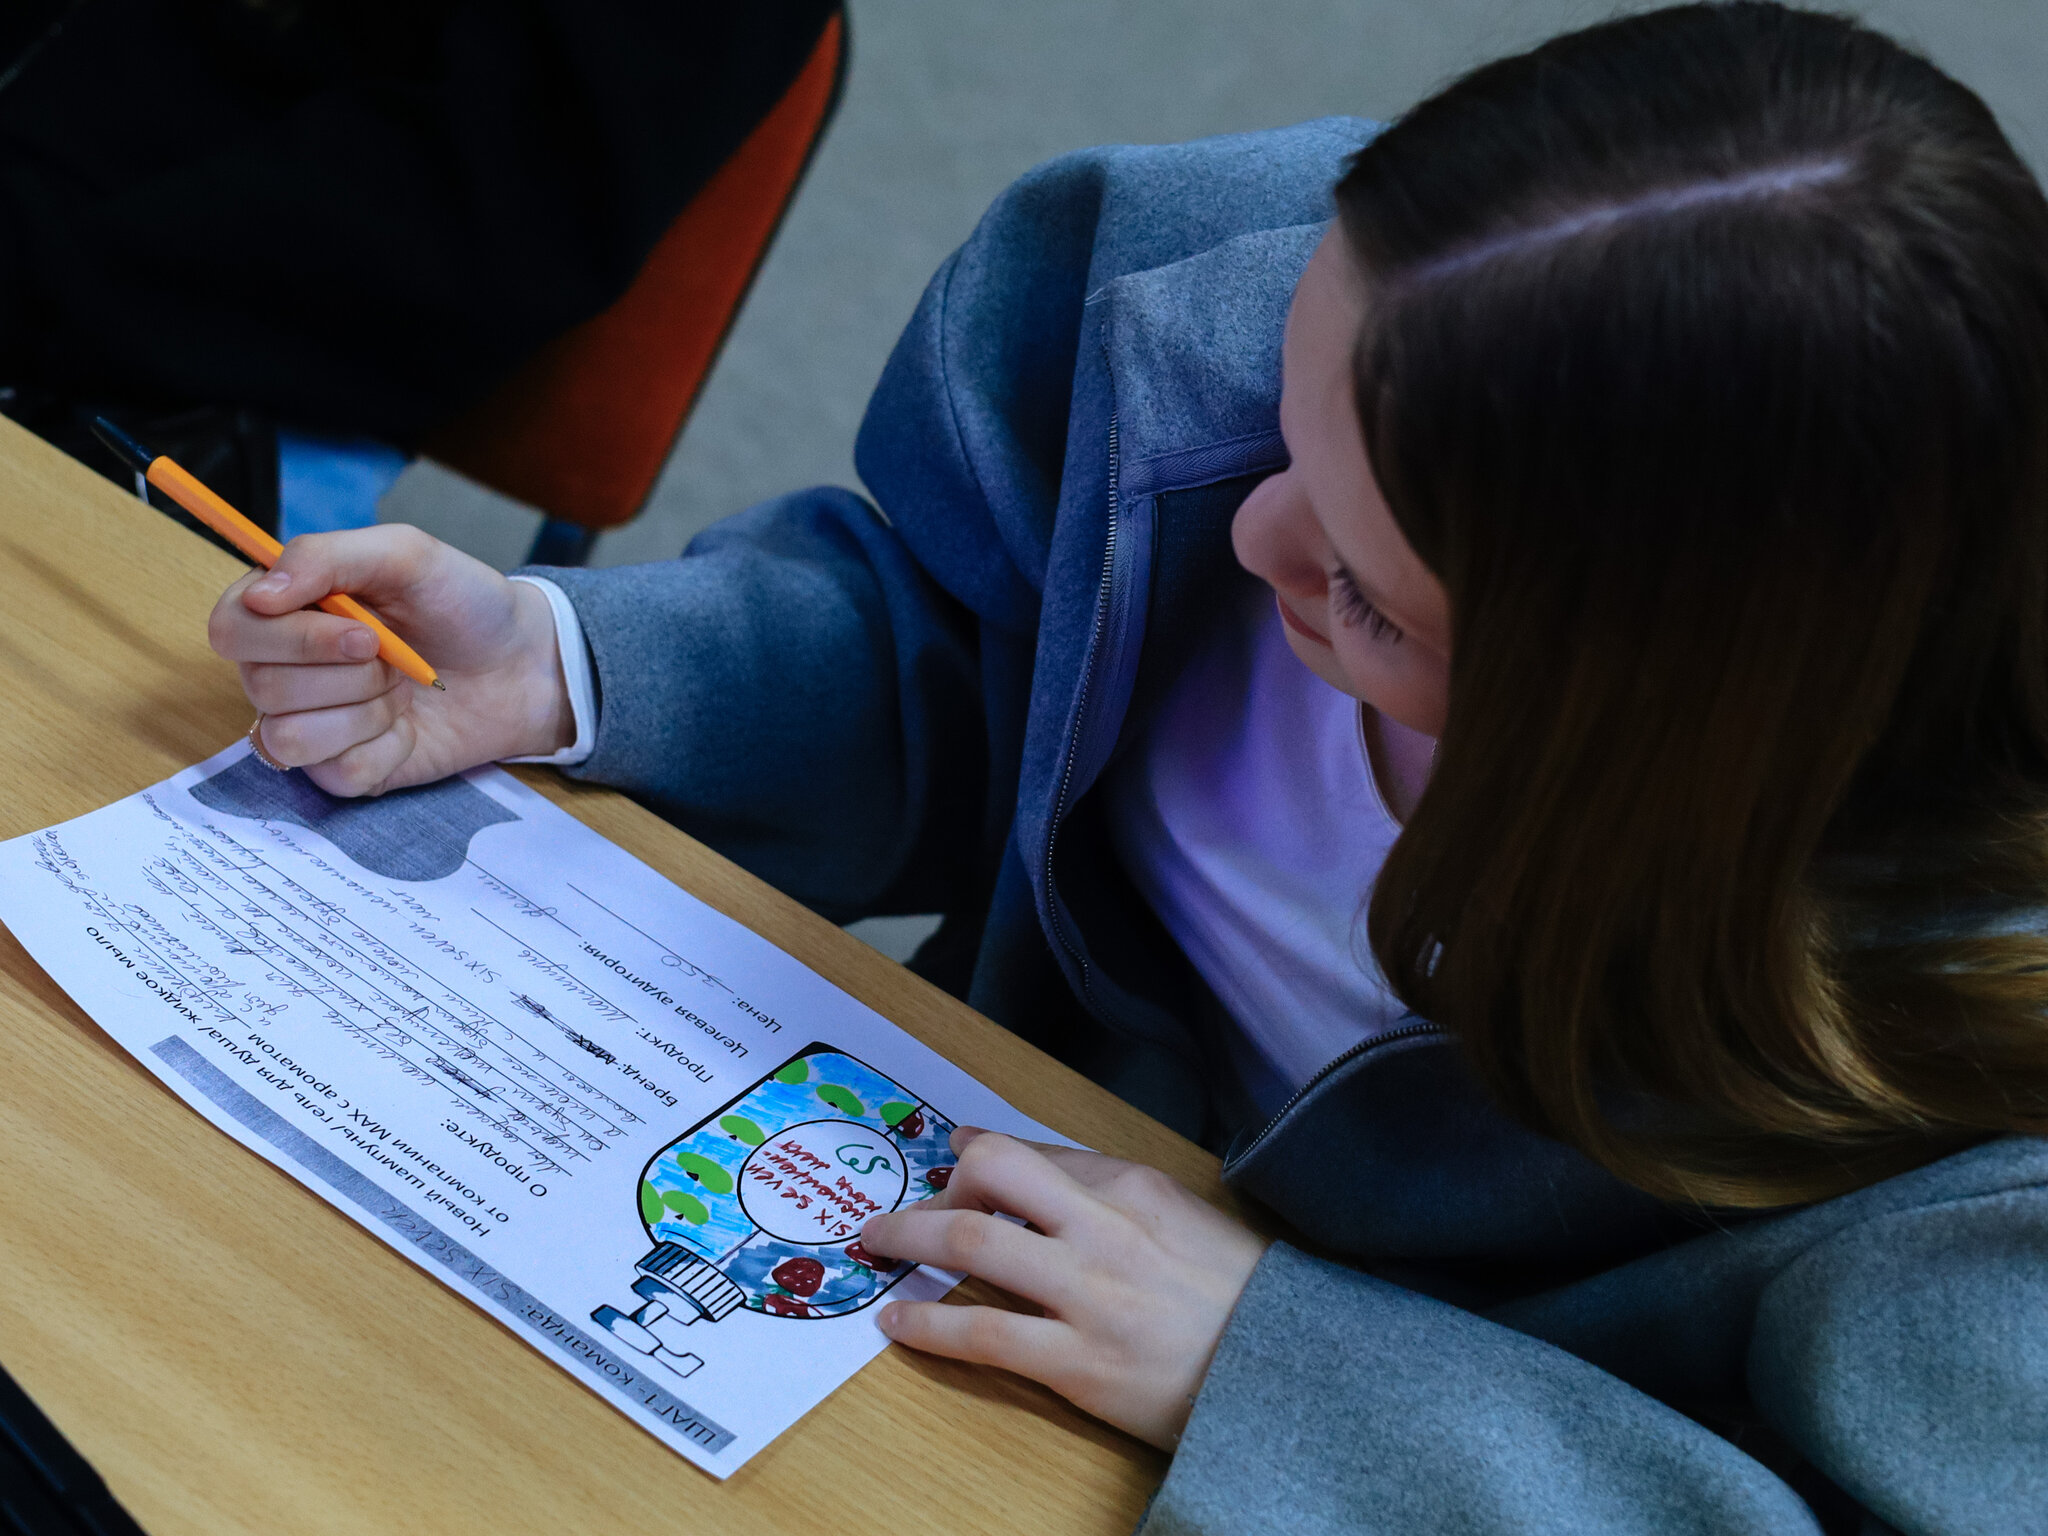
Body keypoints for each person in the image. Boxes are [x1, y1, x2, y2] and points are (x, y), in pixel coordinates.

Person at [202, 5, 2048, 1530]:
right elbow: (959, 654)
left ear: (1666, 732)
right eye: (1290, 425)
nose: (1246, 537)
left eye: (1369, 598)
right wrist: (575, 665)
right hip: (898, 1294)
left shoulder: (1968, 1088)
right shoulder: (1220, 285)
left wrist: (1280, 1368)